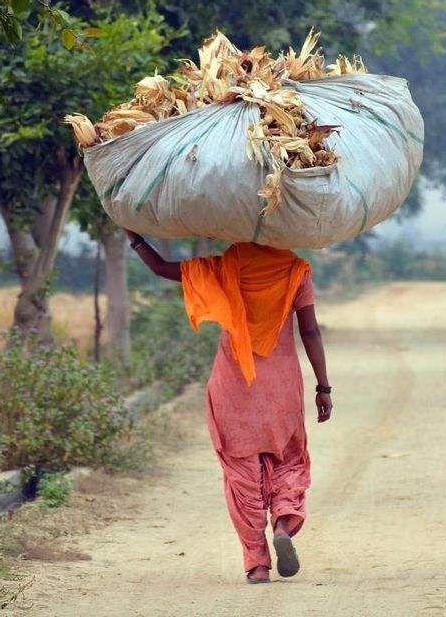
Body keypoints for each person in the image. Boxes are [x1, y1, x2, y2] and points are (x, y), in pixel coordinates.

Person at [124, 230, 333, 584]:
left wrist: (134, 236)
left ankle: (257, 563)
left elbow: (161, 268)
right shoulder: (296, 270)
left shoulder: (226, 265)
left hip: (233, 387)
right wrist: (323, 387)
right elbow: (310, 332)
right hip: (280, 387)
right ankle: (282, 522)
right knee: (288, 459)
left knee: (242, 473)